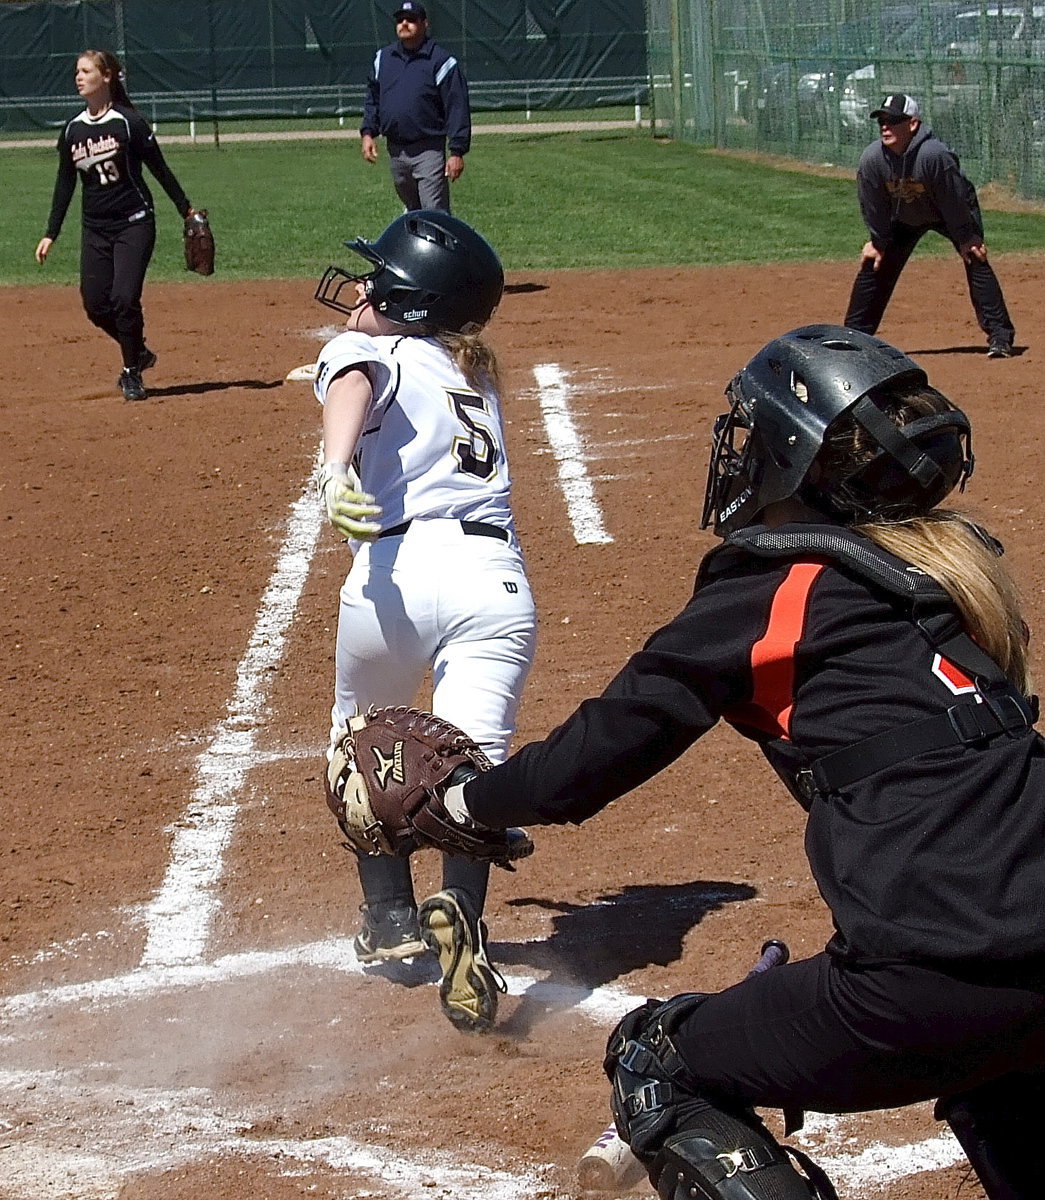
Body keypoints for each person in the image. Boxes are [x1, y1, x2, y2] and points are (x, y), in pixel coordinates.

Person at [425, 325, 1045, 1198]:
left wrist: (463, 804)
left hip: (926, 982)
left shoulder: (769, 592)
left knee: (658, 1059)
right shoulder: (950, 578)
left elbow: (593, 755)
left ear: (793, 456)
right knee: (1000, 1066)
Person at [313, 210, 536, 1033]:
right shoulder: (472, 372)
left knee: (360, 742)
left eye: (378, 277)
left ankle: (389, 919)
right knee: (472, 766)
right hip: (492, 582)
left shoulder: (380, 348)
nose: (362, 288)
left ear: (409, 297)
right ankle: (462, 911)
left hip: (394, 580)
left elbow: (351, 379)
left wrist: (336, 471)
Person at [34, 50, 201, 402]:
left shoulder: (128, 123)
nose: (78, 77)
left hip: (134, 223)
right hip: (95, 228)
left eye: (85, 71)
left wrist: (185, 208)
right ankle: (138, 349)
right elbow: (65, 182)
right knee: (96, 305)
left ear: (106, 76)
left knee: (124, 298)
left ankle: (131, 372)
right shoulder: (72, 129)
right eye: (77, 71)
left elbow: (159, 168)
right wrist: (52, 232)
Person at [843, 93, 1016, 360]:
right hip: (903, 217)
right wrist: (878, 241)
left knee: (974, 255)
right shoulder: (872, 159)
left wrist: (965, 236)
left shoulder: (934, 155)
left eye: (893, 120)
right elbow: (873, 203)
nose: (885, 127)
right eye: (882, 121)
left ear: (912, 124)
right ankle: (852, 339)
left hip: (948, 212)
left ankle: (1000, 337)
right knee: (875, 261)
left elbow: (954, 197)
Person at [360, 1, 471, 214]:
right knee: (412, 210)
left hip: (428, 149)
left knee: (434, 211)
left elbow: (457, 108)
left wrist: (457, 151)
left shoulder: (441, 61)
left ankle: (441, 247)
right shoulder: (383, 58)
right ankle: (415, 248)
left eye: (411, 20)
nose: (404, 24)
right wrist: (368, 133)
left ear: (424, 24)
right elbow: (373, 98)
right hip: (396, 150)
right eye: (400, 20)